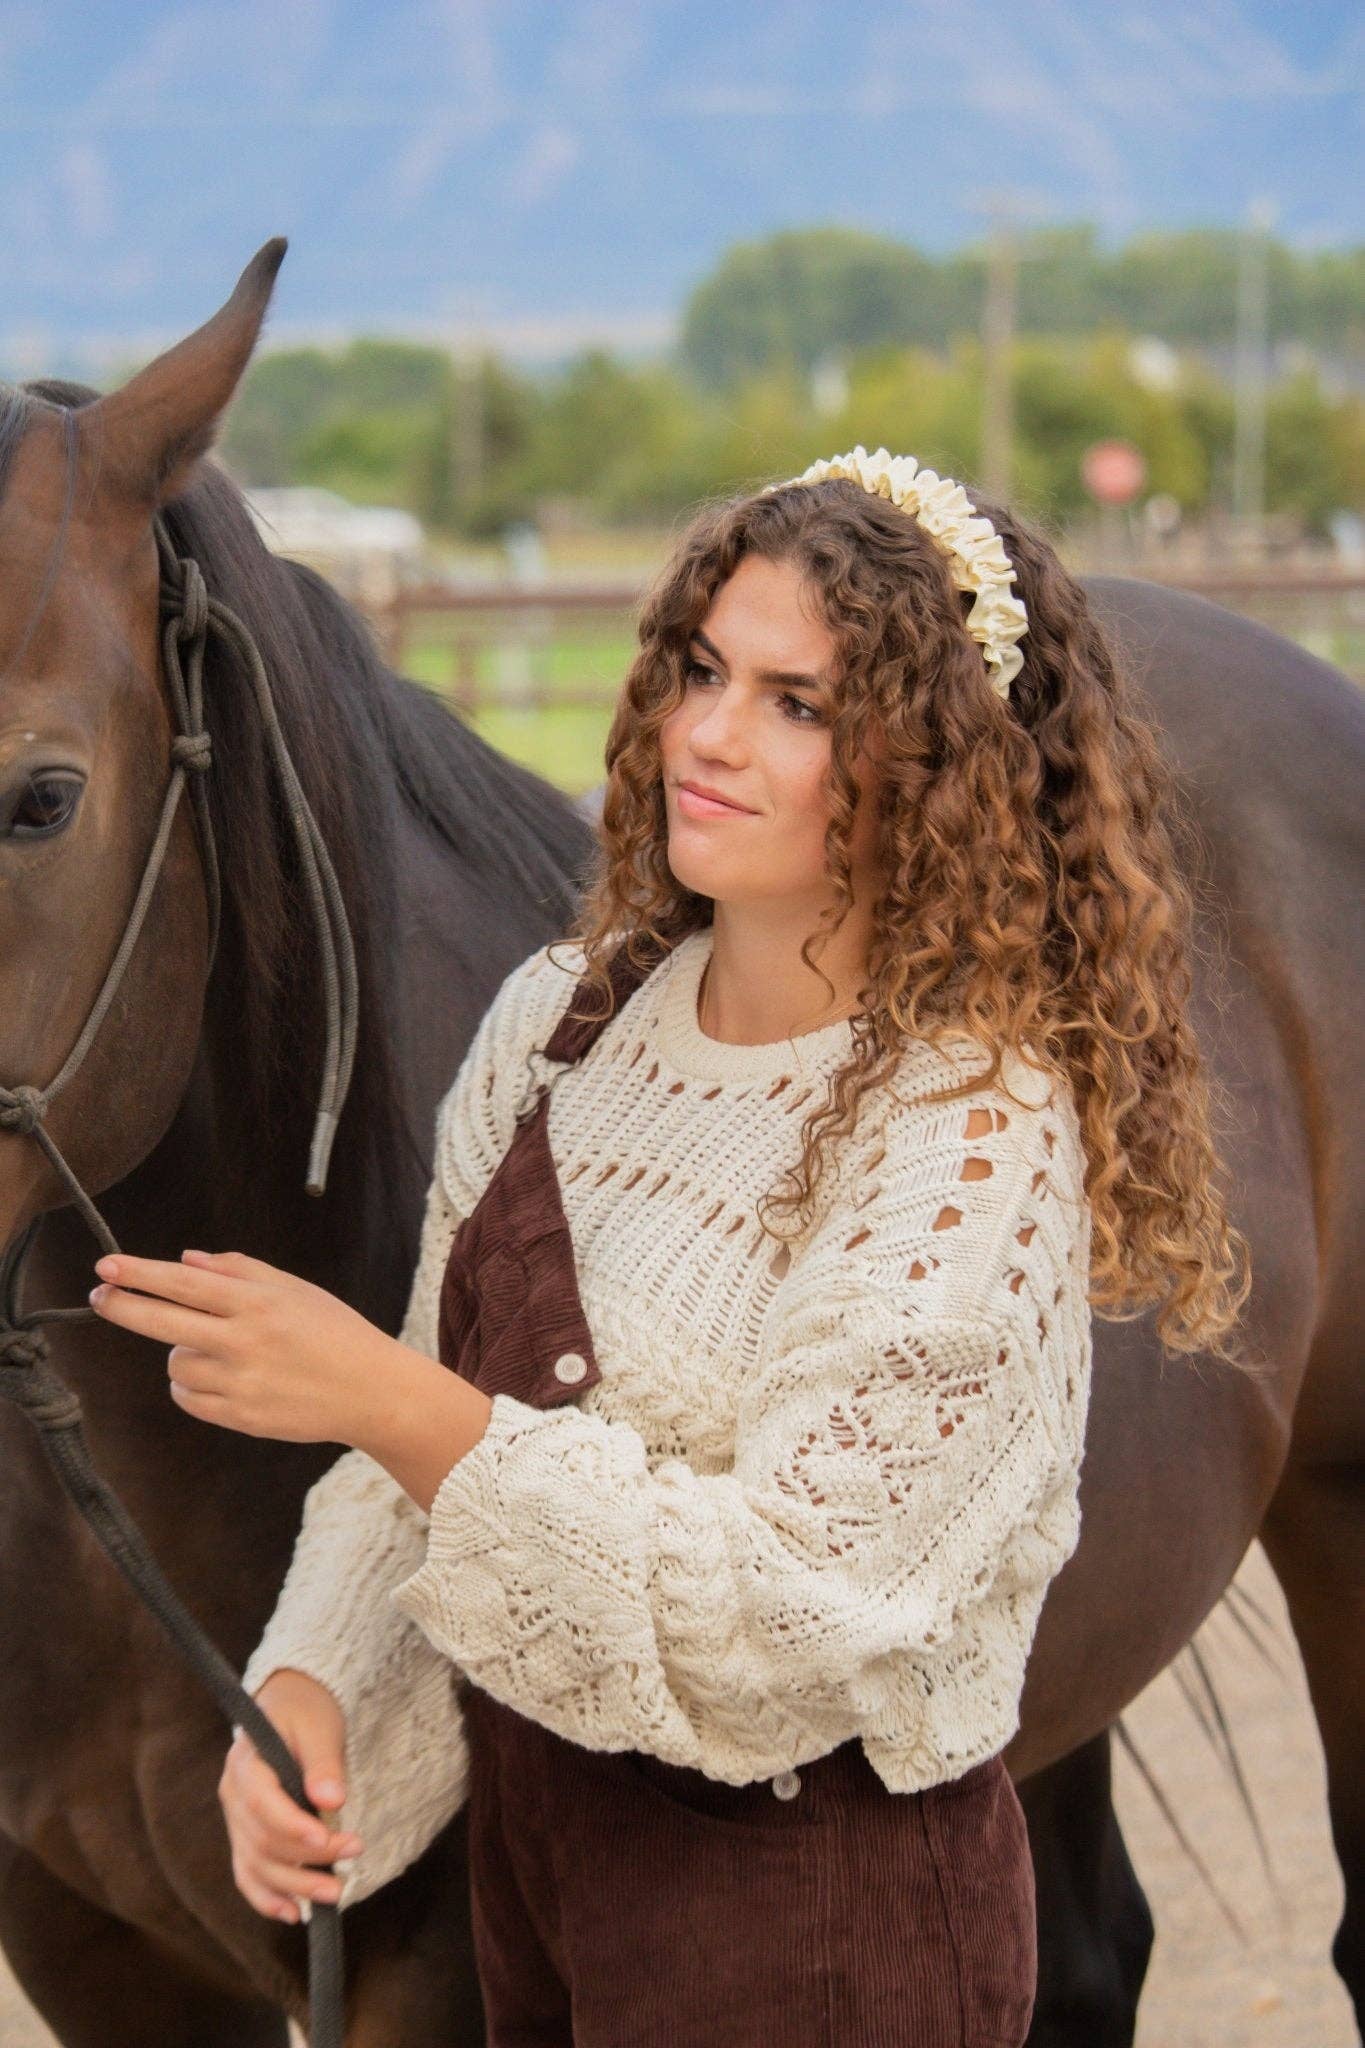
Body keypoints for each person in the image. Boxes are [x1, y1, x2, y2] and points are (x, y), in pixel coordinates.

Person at [88, 447, 1249, 2044]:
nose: (706, 733)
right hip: (538, 1907)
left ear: (932, 755)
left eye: (797, 702)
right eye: (703, 668)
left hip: (819, 1940)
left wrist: (386, 1400)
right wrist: (307, 1689)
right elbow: (410, 1443)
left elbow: (794, 1613)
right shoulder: (560, 1024)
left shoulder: (967, 1124)